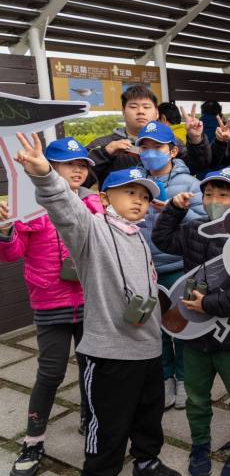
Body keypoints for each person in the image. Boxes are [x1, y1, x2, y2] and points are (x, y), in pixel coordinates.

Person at [15, 132, 180, 476]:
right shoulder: (91, 230)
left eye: (144, 197)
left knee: (149, 416)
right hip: (110, 354)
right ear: (105, 198)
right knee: (107, 427)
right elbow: (65, 208)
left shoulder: (137, 235)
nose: (138, 201)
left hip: (147, 351)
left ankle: (147, 462)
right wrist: (45, 174)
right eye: (129, 193)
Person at [0, 138, 102, 476]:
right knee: (50, 373)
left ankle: (92, 421)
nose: (77, 169)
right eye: (68, 163)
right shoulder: (29, 208)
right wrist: (4, 231)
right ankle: (33, 439)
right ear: (48, 167)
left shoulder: (92, 204)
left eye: (82, 164)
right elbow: (12, 253)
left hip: (90, 301)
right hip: (50, 305)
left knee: (93, 368)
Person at [153, 168, 230, 476]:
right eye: (209, 194)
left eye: (223, 195)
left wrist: (208, 304)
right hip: (194, 336)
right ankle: (200, 445)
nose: (214, 201)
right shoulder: (193, 229)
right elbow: (161, 239)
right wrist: (174, 209)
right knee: (197, 398)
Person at [135, 120, 205, 410]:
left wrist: (176, 212)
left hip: (178, 266)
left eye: (157, 147)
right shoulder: (133, 182)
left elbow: (202, 224)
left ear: (173, 151)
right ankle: (165, 377)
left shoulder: (190, 183)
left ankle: (184, 378)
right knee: (154, 327)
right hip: (143, 267)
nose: (151, 153)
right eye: (145, 147)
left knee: (181, 323)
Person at [86, 85, 209, 187]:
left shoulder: (171, 141)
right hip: (117, 214)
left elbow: (197, 166)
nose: (140, 111)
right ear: (123, 112)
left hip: (167, 211)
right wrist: (105, 153)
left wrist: (196, 139)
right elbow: (81, 180)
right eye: (133, 107)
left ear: (156, 113)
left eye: (146, 107)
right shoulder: (103, 144)